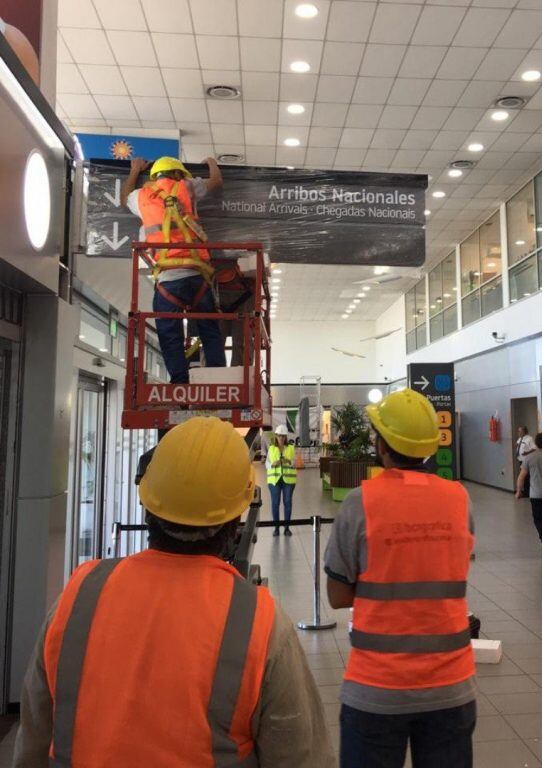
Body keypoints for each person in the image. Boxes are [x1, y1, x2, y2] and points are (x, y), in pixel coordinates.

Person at [12, 417, 334, 768]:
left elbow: (32, 742)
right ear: (235, 520)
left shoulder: (77, 597)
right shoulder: (259, 624)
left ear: (148, 503)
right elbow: (301, 757)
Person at [324, 389, 476, 768]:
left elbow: (337, 595)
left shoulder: (361, 502)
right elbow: (452, 569)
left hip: (376, 688)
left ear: (381, 444)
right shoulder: (460, 499)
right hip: (452, 686)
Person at [122, 156, 226, 384]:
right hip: (196, 275)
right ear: (178, 174)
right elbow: (216, 181)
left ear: (155, 176)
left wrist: (134, 170)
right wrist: (210, 162)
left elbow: (123, 198)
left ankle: (180, 381)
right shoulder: (187, 187)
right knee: (210, 330)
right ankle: (218, 378)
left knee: (170, 335)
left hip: (167, 280)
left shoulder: (141, 196)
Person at [516, 432, 542, 557]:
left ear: (536, 443)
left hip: (535, 494)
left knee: (537, 518)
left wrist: (519, 491)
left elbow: (521, 477)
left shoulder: (529, 458)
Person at [267, 424, 296, 536]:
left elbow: (294, 463)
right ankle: (276, 528)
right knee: (275, 503)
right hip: (274, 480)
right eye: (279, 436)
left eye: (283, 436)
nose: (281, 438)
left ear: (286, 437)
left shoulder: (291, 448)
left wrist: (289, 462)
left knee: (287, 502)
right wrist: (273, 464)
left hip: (288, 480)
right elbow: (267, 464)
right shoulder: (271, 448)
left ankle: (287, 528)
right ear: (276, 436)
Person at [515, 426, 536, 497]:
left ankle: (527, 492)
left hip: (526, 460)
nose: (518, 433)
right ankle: (525, 491)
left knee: (526, 477)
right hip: (520, 460)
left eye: (520, 431)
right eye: (518, 431)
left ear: (524, 431)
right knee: (523, 476)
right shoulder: (520, 438)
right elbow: (518, 444)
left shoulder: (529, 439)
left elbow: (534, 448)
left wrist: (527, 453)